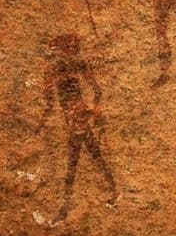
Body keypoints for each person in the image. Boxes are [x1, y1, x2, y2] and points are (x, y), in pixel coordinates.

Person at [37, 33, 117, 224]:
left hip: (78, 121)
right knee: (94, 158)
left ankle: (65, 208)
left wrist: (95, 114)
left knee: (73, 166)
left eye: (75, 46)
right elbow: (50, 104)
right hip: (77, 121)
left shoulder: (60, 68)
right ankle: (114, 191)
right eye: (71, 47)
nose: (75, 49)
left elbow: (97, 91)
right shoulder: (54, 70)